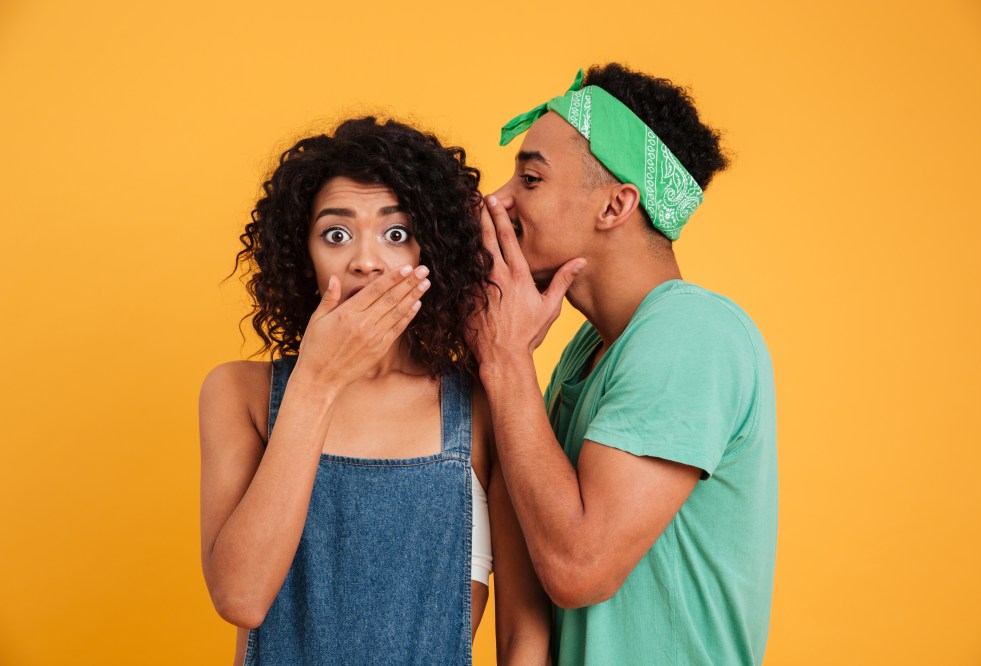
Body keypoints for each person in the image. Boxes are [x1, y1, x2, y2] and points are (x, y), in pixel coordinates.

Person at [199, 117, 549, 665]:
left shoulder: (481, 406)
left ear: (432, 253)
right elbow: (240, 597)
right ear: (301, 257)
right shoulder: (239, 393)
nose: (365, 260)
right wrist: (318, 380)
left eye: (397, 233)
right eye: (336, 234)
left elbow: (524, 635)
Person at [468, 63, 778, 665]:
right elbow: (529, 557)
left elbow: (577, 568)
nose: (498, 202)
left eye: (529, 178)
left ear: (615, 206)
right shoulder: (584, 351)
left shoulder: (692, 333)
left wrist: (505, 359)